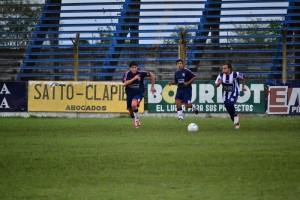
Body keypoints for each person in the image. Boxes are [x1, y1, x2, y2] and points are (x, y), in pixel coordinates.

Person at [123, 61, 156, 128]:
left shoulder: (141, 73)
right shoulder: (127, 74)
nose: (134, 69)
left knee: (134, 104)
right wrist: (134, 78)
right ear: (130, 68)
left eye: (135, 67)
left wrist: (152, 86)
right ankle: (135, 119)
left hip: (138, 93)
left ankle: (137, 121)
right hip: (129, 95)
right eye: (132, 67)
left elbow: (152, 75)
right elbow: (125, 84)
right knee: (131, 113)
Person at [215, 63, 246, 129]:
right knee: (229, 111)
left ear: (229, 69)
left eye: (225, 68)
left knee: (230, 103)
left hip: (234, 93)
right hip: (225, 95)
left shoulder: (235, 74)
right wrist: (219, 83)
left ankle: (235, 115)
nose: (223, 70)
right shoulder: (221, 75)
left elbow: (243, 76)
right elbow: (216, 85)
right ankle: (237, 124)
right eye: (223, 68)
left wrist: (243, 86)